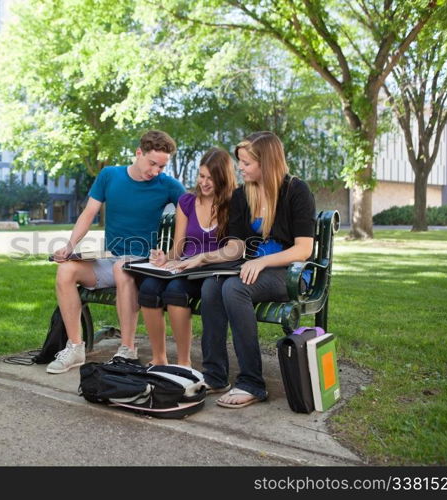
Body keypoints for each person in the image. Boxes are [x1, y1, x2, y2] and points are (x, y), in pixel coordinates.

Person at [176, 131, 316, 407]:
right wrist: (203, 258)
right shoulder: (243, 195)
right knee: (213, 285)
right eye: (240, 161)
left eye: (247, 163)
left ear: (267, 162)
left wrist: (262, 261)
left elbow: (304, 249)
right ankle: (215, 375)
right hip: (253, 269)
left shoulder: (296, 191)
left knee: (234, 288)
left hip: (290, 273)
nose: (240, 167)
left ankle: (252, 382)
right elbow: (237, 248)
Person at [48, 130, 186, 374]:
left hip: (144, 264)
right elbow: (89, 213)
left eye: (162, 167)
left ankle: (127, 349)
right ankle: (76, 347)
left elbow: (194, 213)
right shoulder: (109, 175)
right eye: (152, 163)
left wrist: (175, 255)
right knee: (66, 270)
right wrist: (70, 247)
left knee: (122, 268)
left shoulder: (168, 185)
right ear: (138, 153)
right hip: (112, 258)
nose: (156, 171)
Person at [137, 147, 236, 367]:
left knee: (174, 291)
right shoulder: (187, 202)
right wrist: (166, 258)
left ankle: (184, 363)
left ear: (224, 179)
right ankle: (159, 358)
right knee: (149, 287)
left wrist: (202, 258)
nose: (205, 182)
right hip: (185, 267)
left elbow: (234, 248)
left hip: (213, 269)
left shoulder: (233, 204)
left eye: (212, 178)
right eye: (202, 176)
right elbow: (178, 247)